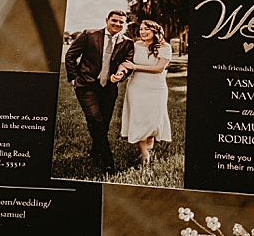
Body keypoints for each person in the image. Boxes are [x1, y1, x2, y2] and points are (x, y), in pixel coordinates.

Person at [64, 10, 134, 172]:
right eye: (114, 21)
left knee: (103, 123)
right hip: (87, 85)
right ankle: (108, 160)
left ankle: (96, 150)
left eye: (121, 22)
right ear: (107, 20)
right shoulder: (89, 35)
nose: (117, 24)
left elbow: (128, 62)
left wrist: (121, 74)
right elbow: (70, 56)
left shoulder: (127, 42)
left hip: (109, 87)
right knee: (95, 119)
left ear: (124, 24)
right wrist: (73, 77)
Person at [111, 19, 173, 165]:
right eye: (141, 30)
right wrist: (120, 73)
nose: (143, 32)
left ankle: (149, 138)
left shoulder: (165, 47)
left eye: (147, 29)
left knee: (154, 121)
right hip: (136, 87)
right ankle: (144, 154)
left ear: (155, 32)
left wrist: (135, 67)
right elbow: (125, 63)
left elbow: (159, 68)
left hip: (156, 88)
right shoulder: (135, 45)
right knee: (138, 118)